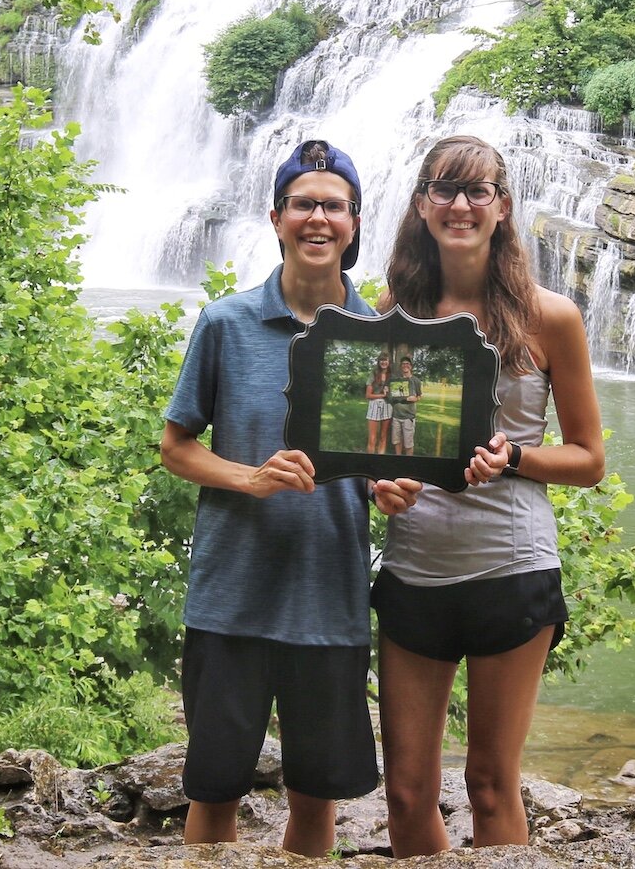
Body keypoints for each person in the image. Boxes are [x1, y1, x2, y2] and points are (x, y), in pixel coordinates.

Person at [160, 138, 421, 854]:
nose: (318, 218)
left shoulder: (380, 340)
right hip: (230, 600)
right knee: (213, 791)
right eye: (303, 203)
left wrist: (391, 490)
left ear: (355, 223)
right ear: (276, 217)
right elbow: (176, 446)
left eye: (332, 206)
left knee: (315, 804)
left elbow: (381, 467)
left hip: (327, 603)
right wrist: (248, 476)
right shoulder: (225, 323)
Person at [371, 135, 605, 855]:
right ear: (421, 204)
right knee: (407, 791)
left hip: (511, 570)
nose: (461, 204)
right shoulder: (393, 310)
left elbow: (590, 458)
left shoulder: (549, 317)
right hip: (414, 569)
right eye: (445, 188)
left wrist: (516, 458)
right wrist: (381, 483)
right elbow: (380, 438)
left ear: (502, 207)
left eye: (478, 191)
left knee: (490, 783)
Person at [388, 355, 422, 456]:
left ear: (411, 366)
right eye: (403, 364)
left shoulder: (416, 381)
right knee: (396, 441)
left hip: (409, 417)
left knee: (408, 444)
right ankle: (398, 459)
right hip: (396, 416)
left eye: (407, 364)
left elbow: (420, 396)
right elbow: (391, 394)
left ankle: (409, 462)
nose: (405, 365)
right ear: (401, 366)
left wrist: (415, 399)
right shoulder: (396, 380)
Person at [366, 353, 393, 454]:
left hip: (387, 405)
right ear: (378, 362)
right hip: (374, 404)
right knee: (372, 438)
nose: (383, 362)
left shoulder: (391, 376)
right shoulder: (374, 373)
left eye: (385, 360)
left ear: (389, 362)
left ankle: (381, 460)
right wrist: (383, 395)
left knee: (383, 436)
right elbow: (368, 395)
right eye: (381, 360)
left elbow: (395, 392)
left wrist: (389, 392)